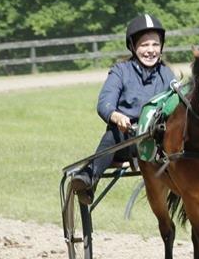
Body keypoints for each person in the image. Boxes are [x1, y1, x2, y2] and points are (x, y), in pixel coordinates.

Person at [70, 13, 177, 205]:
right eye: (144, 45)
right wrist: (116, 115)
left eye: (155, 44)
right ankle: (88, 177)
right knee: (112, 136)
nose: (151, 50)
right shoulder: (120, 71)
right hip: (127, 138)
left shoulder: (166, 73)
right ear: (133, 46)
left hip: (158, 141)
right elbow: (105, 102)